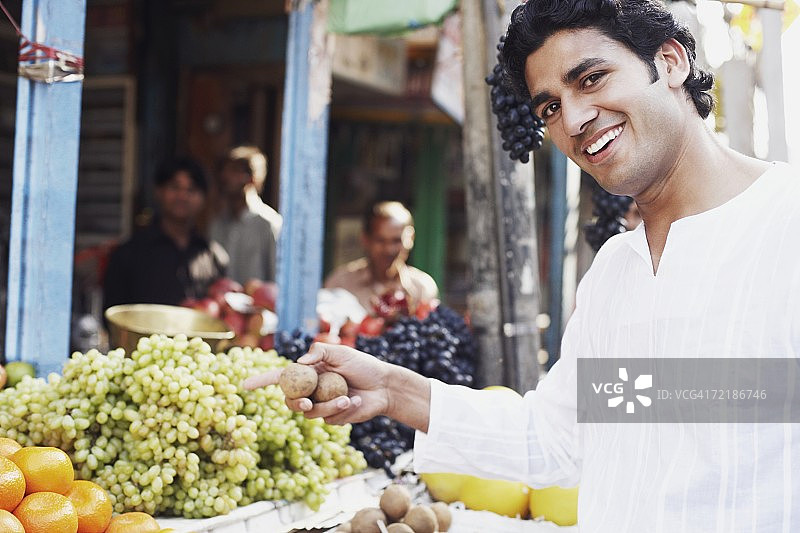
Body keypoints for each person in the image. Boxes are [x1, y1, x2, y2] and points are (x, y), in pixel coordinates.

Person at [245, 0, 800, 530]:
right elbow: (557, 439)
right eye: (550, 107)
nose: (574, 119)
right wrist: (392, 389)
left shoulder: (786, 223)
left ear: (671, 62)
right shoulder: (616, 270)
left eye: (592, 78)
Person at [103, 157, 227, 310]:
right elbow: (113, 313)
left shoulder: (215, 257)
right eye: (175, 187)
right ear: (159, 191)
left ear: (203, 198)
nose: (182, 196)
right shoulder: (129, 254)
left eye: (191, 190)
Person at [324, 201, 438, 312]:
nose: (389, 250)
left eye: (396, 241)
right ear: (365, 239)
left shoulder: (422, 288)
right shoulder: (340, 283)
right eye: (380, 240)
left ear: (411, 238)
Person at [209, 146, 281, 284]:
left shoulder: (269, 224)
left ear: (251, 178)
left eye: (234, 171)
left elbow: (276, 278)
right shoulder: (218, 224)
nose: (226, 177)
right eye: (225, 171)